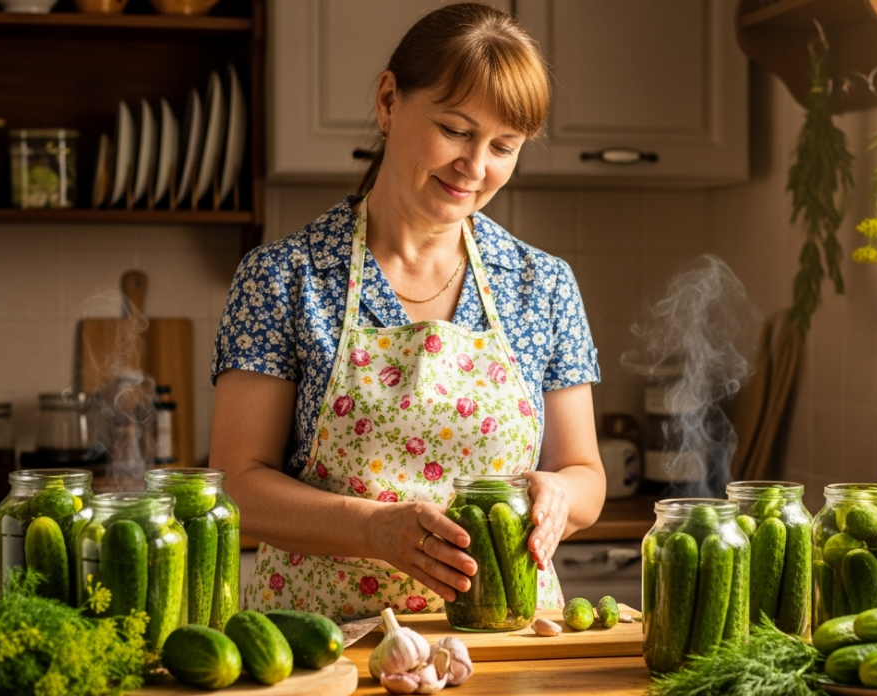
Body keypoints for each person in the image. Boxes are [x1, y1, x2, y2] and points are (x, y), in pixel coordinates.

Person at [210, 2, 605, 621]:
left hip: (503, 648)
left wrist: (560, 495)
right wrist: (374, 530)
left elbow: (584, 474)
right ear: (389, 101)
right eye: (455, 130)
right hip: (325, 646)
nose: (475, 168)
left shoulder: (543, 286)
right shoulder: (285, 277)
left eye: (504, 146)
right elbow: (237, 482)